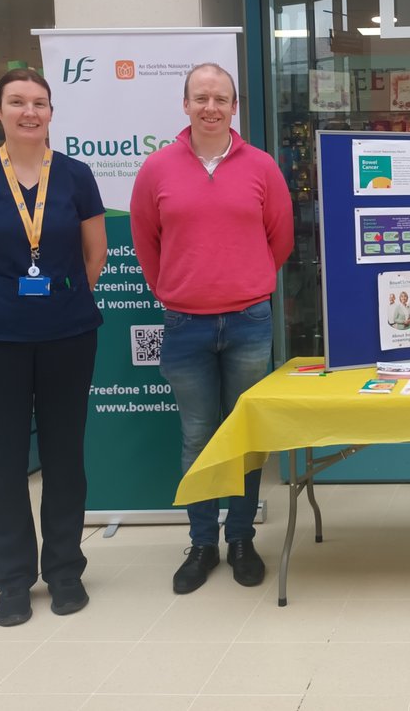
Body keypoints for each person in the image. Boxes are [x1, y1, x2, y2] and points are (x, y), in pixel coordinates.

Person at [0, 68, 107, 626]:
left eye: (39, 102)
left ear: (52, 112)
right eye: (17, 102)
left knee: (66, 457)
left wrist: (57, 301)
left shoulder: (77, 176)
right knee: (4, 460)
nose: (29, 112)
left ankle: (64, 571)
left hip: (67, 335)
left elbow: (94, 257)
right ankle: (12, 580)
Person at [130, 62, 293, 594]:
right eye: (200, 97)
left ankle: (241, 539)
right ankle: (202, 543)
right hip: (184, 323)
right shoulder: (157, 169)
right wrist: (175, 288)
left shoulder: (262, 167)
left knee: (243, 435)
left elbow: (281, 239)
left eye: (220, 98)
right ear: (184, 105)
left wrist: (246, 281)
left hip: (249, 321)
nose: (210, 107)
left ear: (234, 106)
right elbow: (146, 243)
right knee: (198, 436)